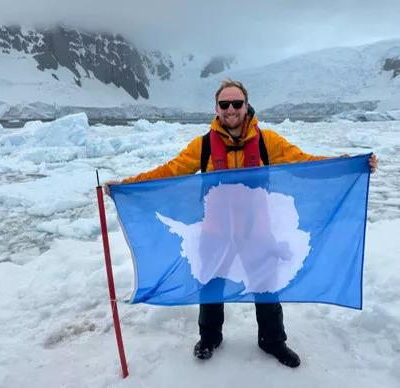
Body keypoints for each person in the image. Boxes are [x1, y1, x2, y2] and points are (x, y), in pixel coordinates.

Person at [105, 79, 378, 368]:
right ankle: (209, 338)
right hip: (216, 231)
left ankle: (273, 341)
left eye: (237, 103)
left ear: (246, 106)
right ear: (217, 108)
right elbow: (171, 171)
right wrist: (127, 185)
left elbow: (303, 164)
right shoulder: (204, 146)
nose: (231, 109)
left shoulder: (266, 142)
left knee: (266, 287)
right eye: (225, 104)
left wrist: (344, 164)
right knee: (210, 285)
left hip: (256, 230)